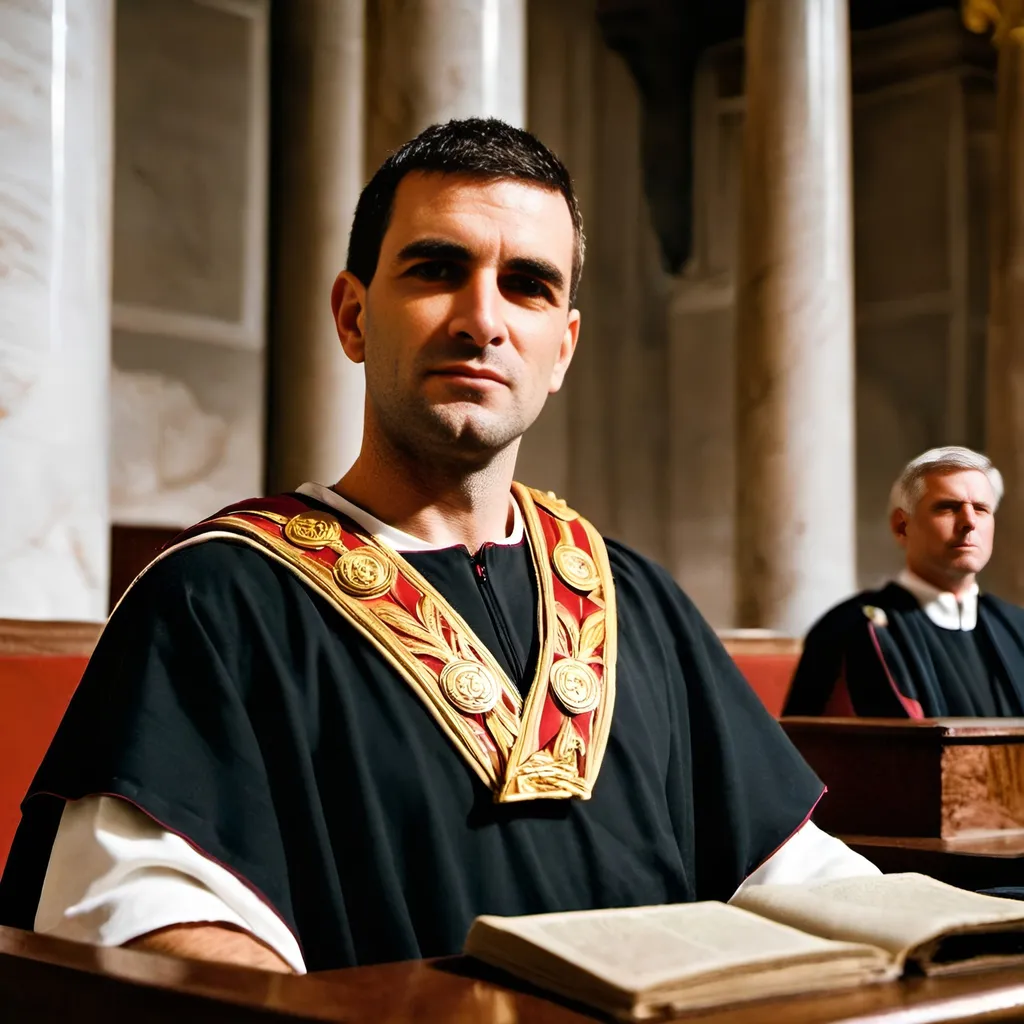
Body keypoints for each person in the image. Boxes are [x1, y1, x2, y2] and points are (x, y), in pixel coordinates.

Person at [0, 119, 875, 975]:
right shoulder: (215, 598)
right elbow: (147, 924)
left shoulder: (635, 598)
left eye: (528, 285)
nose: (481, 320)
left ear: (562, 347)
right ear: (352, 316)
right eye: (437, 269)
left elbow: (793, 875)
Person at [786, 446, 1024, 718]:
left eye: (981, 509)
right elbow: (806, 747)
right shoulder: (848, 628)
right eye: (948, 507)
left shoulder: (1017, 627)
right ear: (902, 526)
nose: (969, 521)